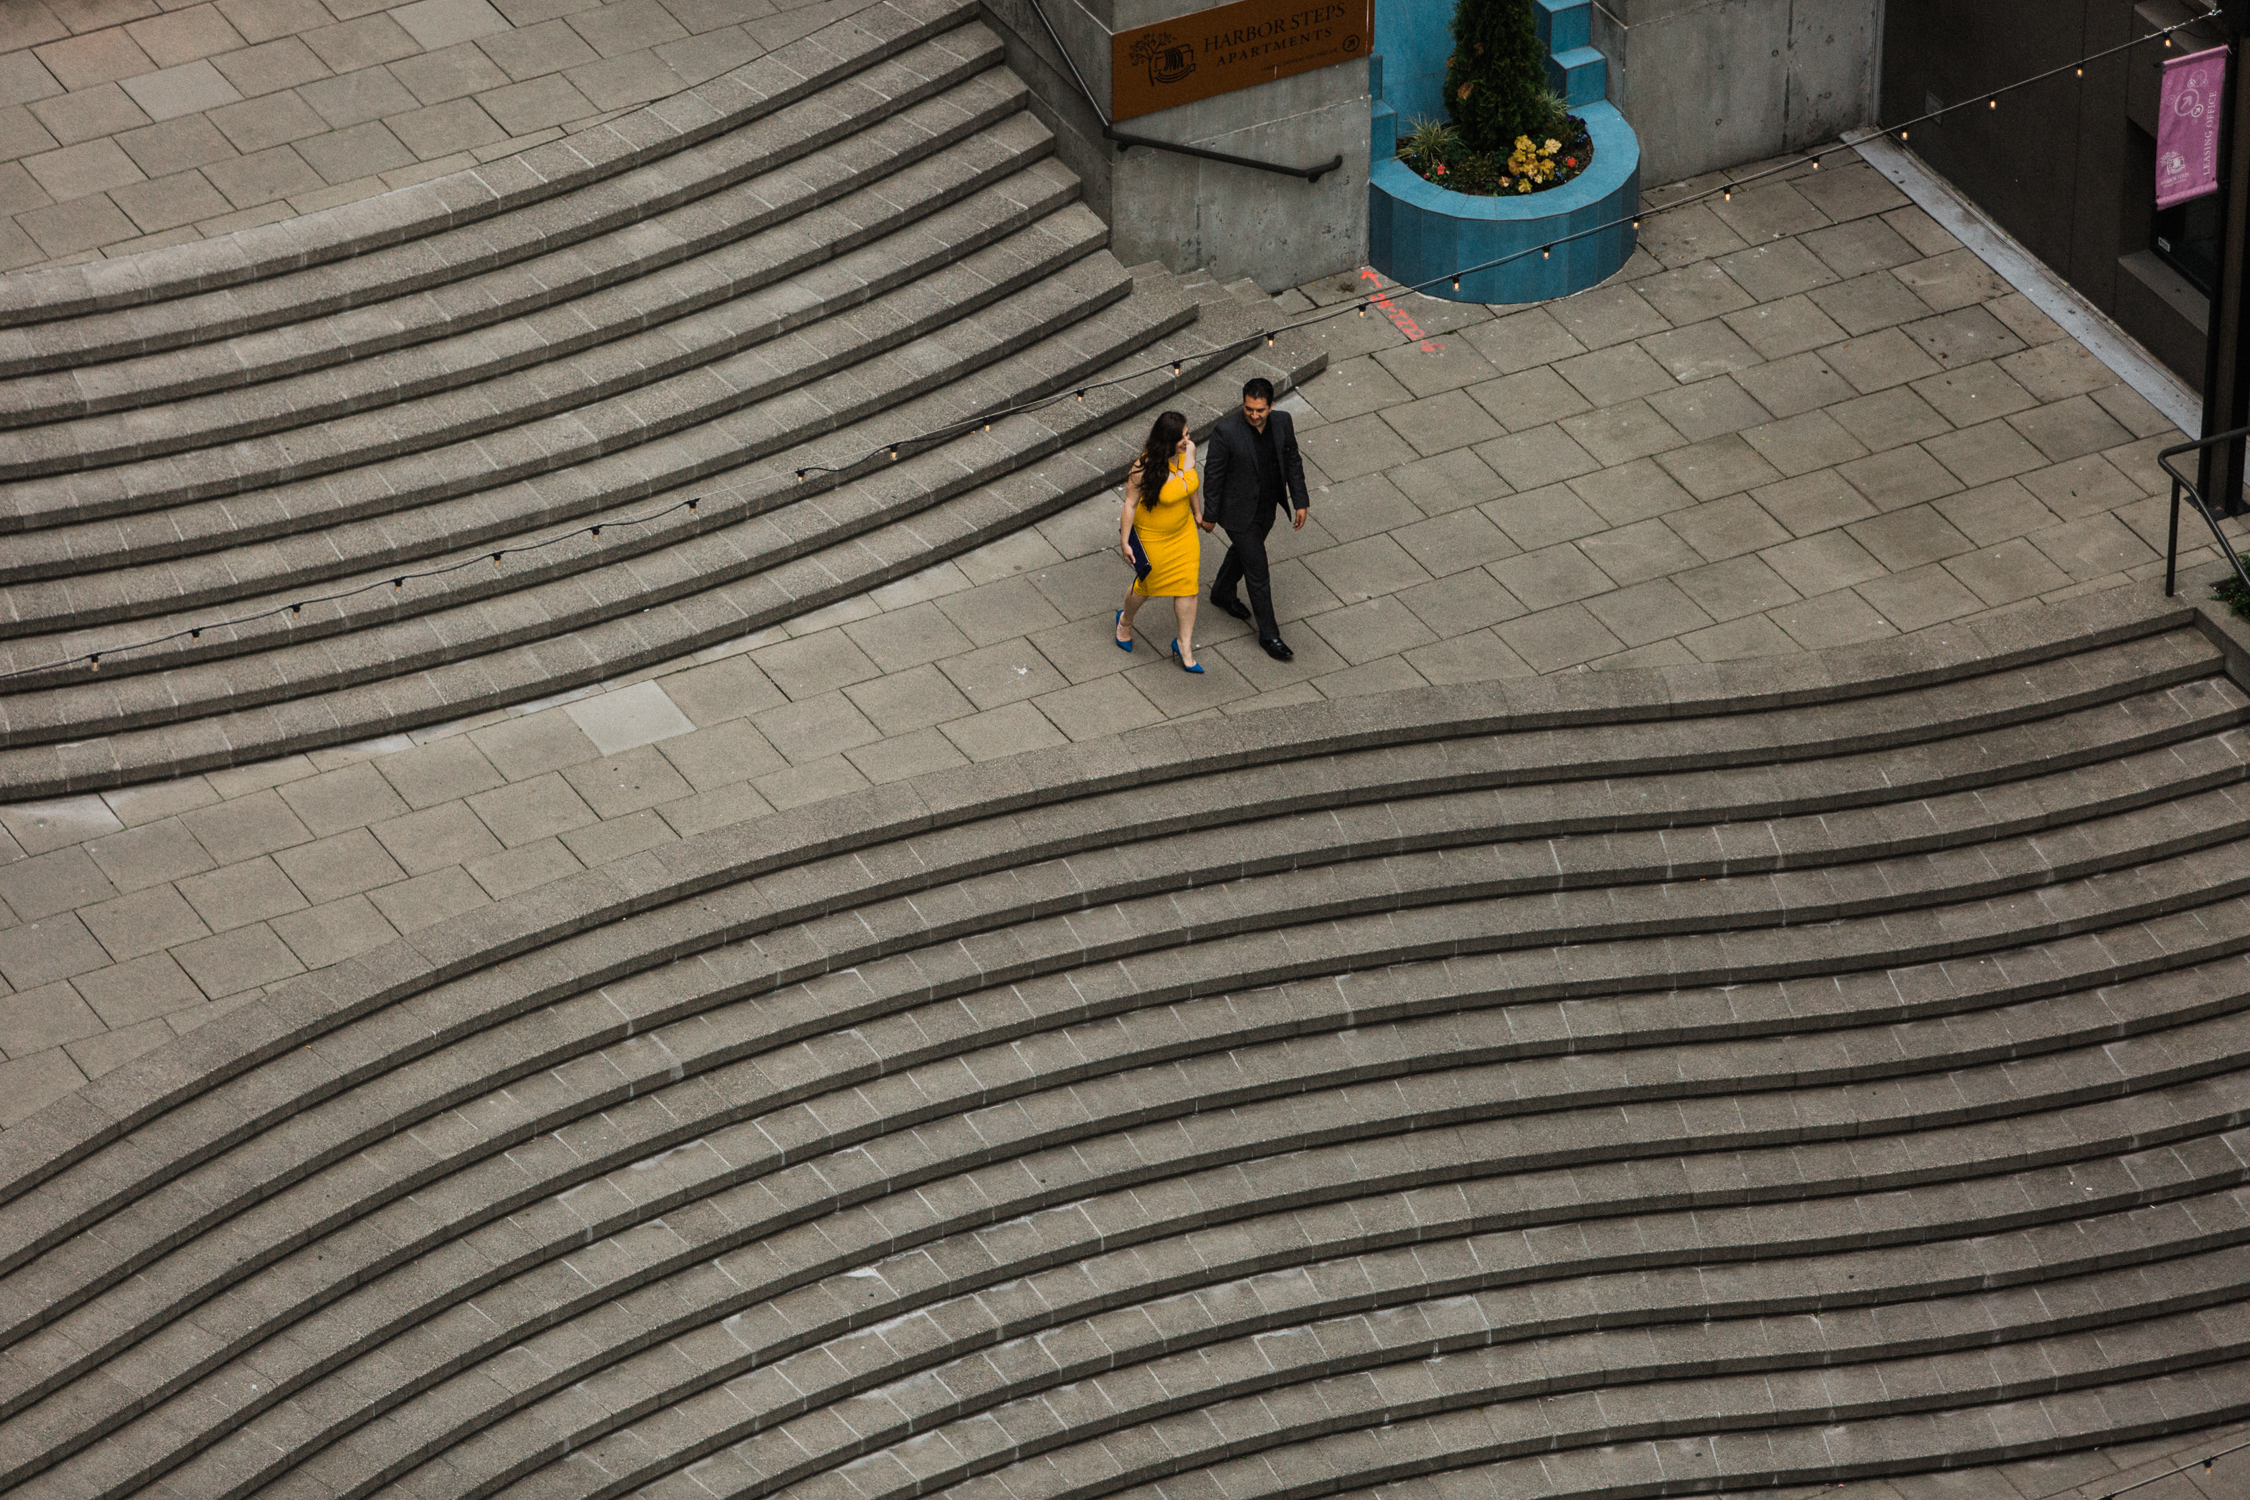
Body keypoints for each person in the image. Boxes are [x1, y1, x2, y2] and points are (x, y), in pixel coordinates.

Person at [1201, 377, 1310, 661]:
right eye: (1249, 408)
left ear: (1271, 406)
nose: (1253, 414)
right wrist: (1210, 515)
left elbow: (1293, 460)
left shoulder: (1283, 422)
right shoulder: (1226, 432)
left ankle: (1222, 592)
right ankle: (1269, 635)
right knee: (1258, 570)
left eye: (1260, 410)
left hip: (1267, 508)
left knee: (1244, 554)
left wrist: (1300, 500)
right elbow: (1213, 477)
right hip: (1236, 513)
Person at [1113, 409, 1206, 672]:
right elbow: (1129, 505)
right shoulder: (1143, 467)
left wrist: (1197, 513)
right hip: (1153, 536)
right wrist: (1125, 541)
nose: (1187, 441)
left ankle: (1184, 645)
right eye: (1181, 437)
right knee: (1146, 586)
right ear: (1167, 440)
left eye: (1187, 434)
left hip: (1183, 532)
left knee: (1188, 586)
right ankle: (1125, 621)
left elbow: (1190, 485)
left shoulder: (1189, 451)